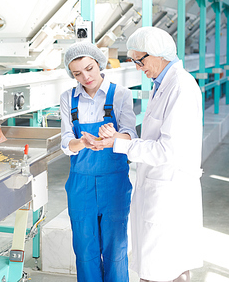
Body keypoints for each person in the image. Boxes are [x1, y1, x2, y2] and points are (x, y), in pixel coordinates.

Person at [91, 27, 204, 282]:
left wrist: (120, 146)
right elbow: (155, 138)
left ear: (158, 55)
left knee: (165, 268)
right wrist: (118, 138)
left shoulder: (181, 88)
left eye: (139, 61)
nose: (138, 68)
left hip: (169, 191)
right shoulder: (162, 83)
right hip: (158, 186)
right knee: (159, 267)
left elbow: (167, 151)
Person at [59, 41, 137, 282]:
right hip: (80, 183)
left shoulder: (121, 94)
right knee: (84, 247)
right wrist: (82, 142)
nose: (86, 77)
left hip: (114, 182)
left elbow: (131, 135)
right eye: (77, 73)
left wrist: (113, 137)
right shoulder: (67, 98)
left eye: (90, 68)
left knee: (115, 247)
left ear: (99, 64)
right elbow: (65, 143)